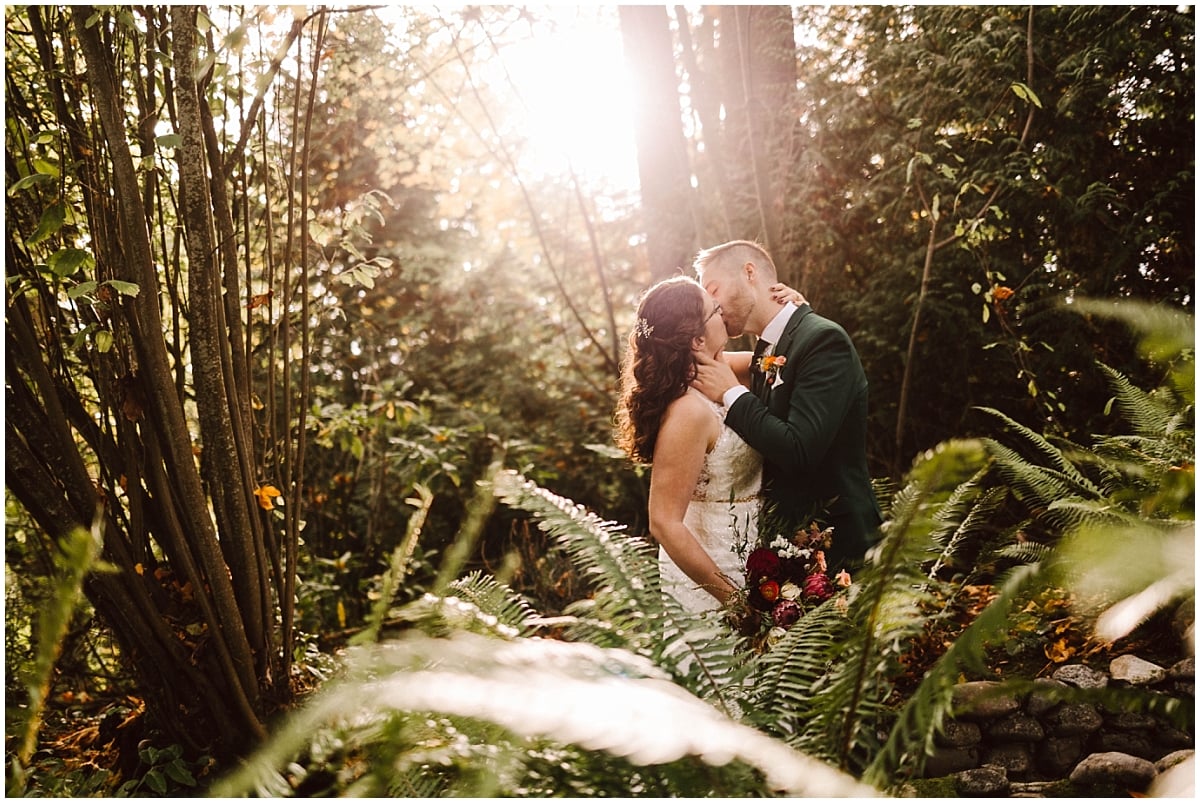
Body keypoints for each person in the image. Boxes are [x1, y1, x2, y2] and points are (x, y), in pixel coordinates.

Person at [691, 240, 882, 573]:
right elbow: (697, 362)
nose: (713, 306)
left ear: (749, 272)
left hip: (842, 549)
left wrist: (731, 393)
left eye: (714, 289)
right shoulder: (769, 348)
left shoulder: (823, 340)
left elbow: (799, 448)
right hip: (789, 551)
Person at [614, 275, 801, 613]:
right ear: (698, 340)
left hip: (754, 560)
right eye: (715, 310)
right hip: (711, 576)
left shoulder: (721, 368)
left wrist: (796, 314)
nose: (724, 312)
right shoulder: (689, 412)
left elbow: (786, 357)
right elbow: (663, 522)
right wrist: (734, 601)